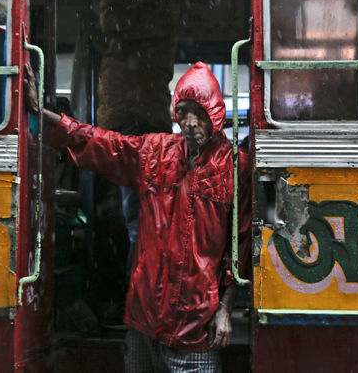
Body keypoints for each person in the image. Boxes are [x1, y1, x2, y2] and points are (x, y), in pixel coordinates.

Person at [25, 61, 251, 372]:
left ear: (214, 113)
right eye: (182, 111)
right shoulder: (155, 152)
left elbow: (241, 244)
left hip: (195, 325)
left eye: (198, 112)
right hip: (145, 317)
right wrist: (41, 114)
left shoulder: (236, 168)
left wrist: (226, 308)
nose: (190, 122)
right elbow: (99, 141)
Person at [96, 0, 178, 267]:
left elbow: (110, 23)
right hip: (127, 122)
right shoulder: (140, 6)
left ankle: (140, 306)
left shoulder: (153, 7)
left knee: (137, 220)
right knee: (130, 216)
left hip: (139, 122)